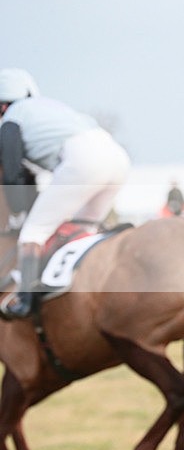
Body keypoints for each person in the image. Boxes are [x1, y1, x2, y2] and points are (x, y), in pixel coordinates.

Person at [0, 68, 131, 319]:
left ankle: (25, 300)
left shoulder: (12, 118)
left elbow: (12, 174)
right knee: (84, 231)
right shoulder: (48, 108)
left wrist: (19, 210)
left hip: (83, 161)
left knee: (33, 232)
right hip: (116, 157)